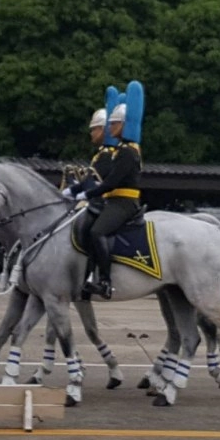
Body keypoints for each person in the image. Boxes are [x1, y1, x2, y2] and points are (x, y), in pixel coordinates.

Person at [74, 103, 142, 300]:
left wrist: (86, 194)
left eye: (114, 124)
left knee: (98, 231)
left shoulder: (128, 151)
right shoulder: (120, 150)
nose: (110, 128)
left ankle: (105, 281)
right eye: (110, 124)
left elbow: (112, 182)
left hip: (124, 202)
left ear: (124, 125)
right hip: (114, 200)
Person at [61, 109, 115, 294]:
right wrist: (74, 186)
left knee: (96, 232)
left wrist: (75, 189)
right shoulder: (101, 154)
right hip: (98, 200)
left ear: (103, 130)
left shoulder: (108, 154)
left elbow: (94, 182)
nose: (91, 133)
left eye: (94, 129)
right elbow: (89, 181)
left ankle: (103, 279)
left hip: (107, 202)